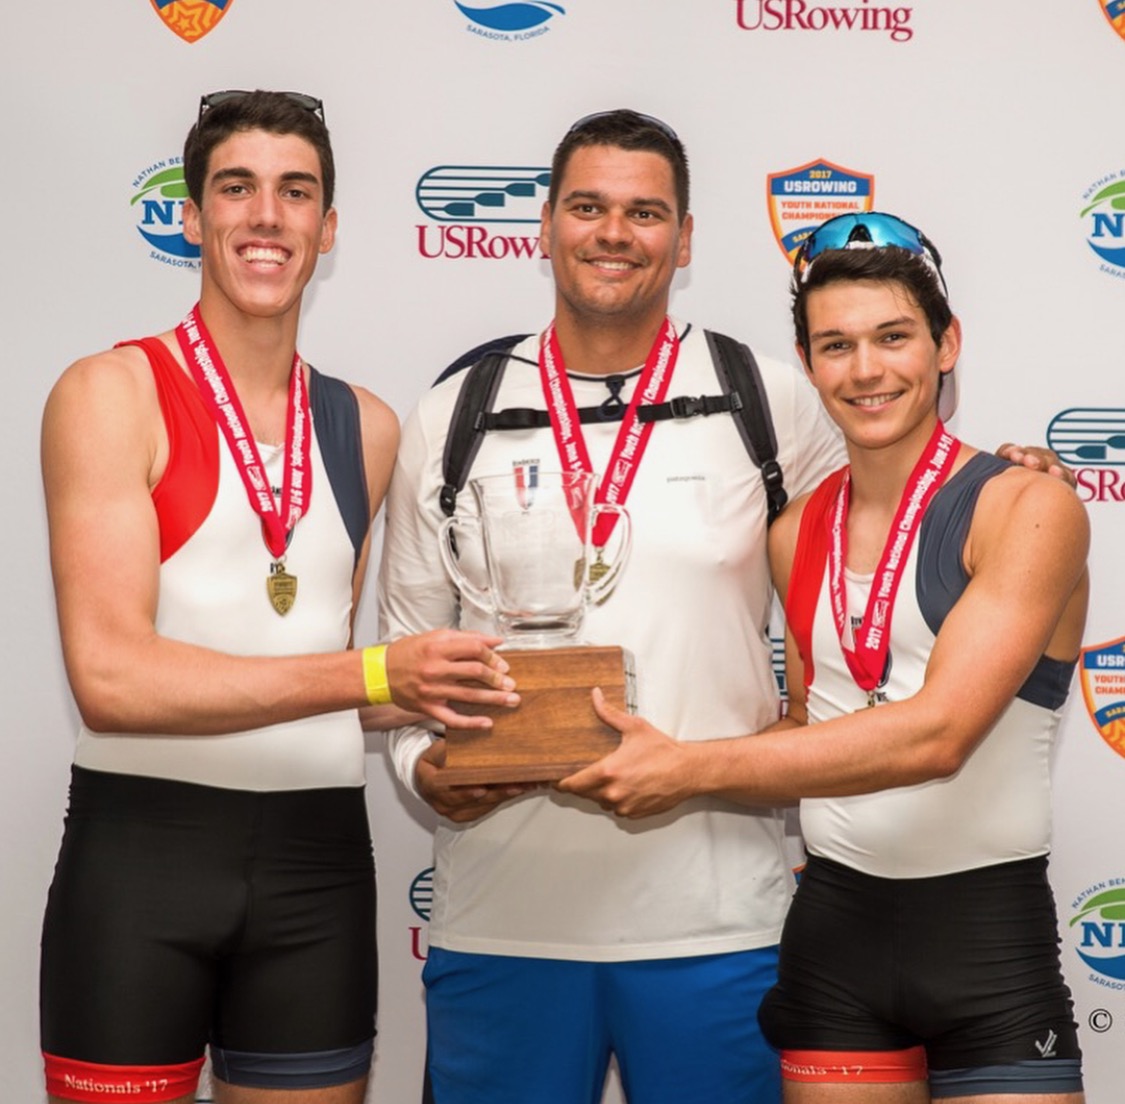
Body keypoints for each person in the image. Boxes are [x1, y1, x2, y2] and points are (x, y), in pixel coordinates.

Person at [379, 111, 1072, 1104]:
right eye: (588, 206)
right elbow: (406, 652)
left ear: (687, 238)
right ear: (543, 224)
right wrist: (425, 770)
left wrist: (1016, 475)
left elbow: (900, 483)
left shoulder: (769, 396)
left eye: (646, 211)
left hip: (721, 924)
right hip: (502, 919)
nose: (615, 232)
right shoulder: (454, 409)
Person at [38, 89, 517, 1104]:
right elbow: (111, 677)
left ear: (328, 227)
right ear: (191, 215)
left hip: (318, 863)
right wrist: (378, 671)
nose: (267, 216)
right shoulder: (111, 393)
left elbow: (329, 681)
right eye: (237, 188)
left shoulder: (368, 426)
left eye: (296, 192)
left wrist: (486, 691)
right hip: (141, 858)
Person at [561, 212, 1089, 1103]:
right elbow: (810, 726)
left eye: (892, 337)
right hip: (835, 938)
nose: (866, 370)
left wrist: (685, 769)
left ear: (946, 342)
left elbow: (937, 736)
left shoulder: (1025, 508)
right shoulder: (795, 530)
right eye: (835, 345)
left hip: (986, 942)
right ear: (807, 363)